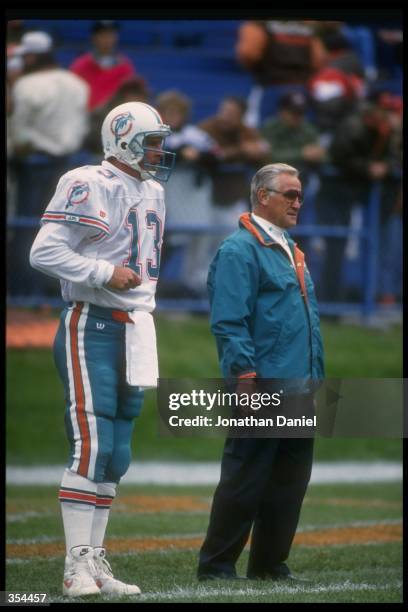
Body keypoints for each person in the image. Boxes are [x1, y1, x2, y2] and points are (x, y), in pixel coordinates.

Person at [29, 101, 176, 597]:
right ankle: (74, 567)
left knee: (117, 453)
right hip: (90, 322)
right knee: (91, 446)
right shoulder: (89, 180)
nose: (159, 150)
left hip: (136, 327)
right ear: (123, 139)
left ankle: (95, 560)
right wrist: (102, 272)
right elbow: (44, 250)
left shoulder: (153, 190)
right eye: (151, 140)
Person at [197, 163, 324, 581]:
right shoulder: (238, 250)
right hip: (263, 382)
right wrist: (244, 376)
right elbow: (229, 321)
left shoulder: (288, 245)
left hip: (299, 381)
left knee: (290, 482)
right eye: (288, 194)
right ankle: (216, 566)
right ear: (262, 196)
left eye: (299, 195)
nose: (297, 202)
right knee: (245, 477)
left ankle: (270, 564)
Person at [8, 30, 90, 299]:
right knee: (64, 228)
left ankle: (23, 290)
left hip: (33, 163)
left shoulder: (27, 86)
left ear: (32, 56)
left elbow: (19, 135)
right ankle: (51, 291)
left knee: (27, 227)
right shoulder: (78, 84)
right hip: (69, 164)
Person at [70, 20, 137, 112]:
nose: (107, 39)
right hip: (86, 118)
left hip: (114, 118)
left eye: (110, 35)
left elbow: (129, 96)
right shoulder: (80, 65)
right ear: (94, 37)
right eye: (102, 35)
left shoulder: (125, 66)